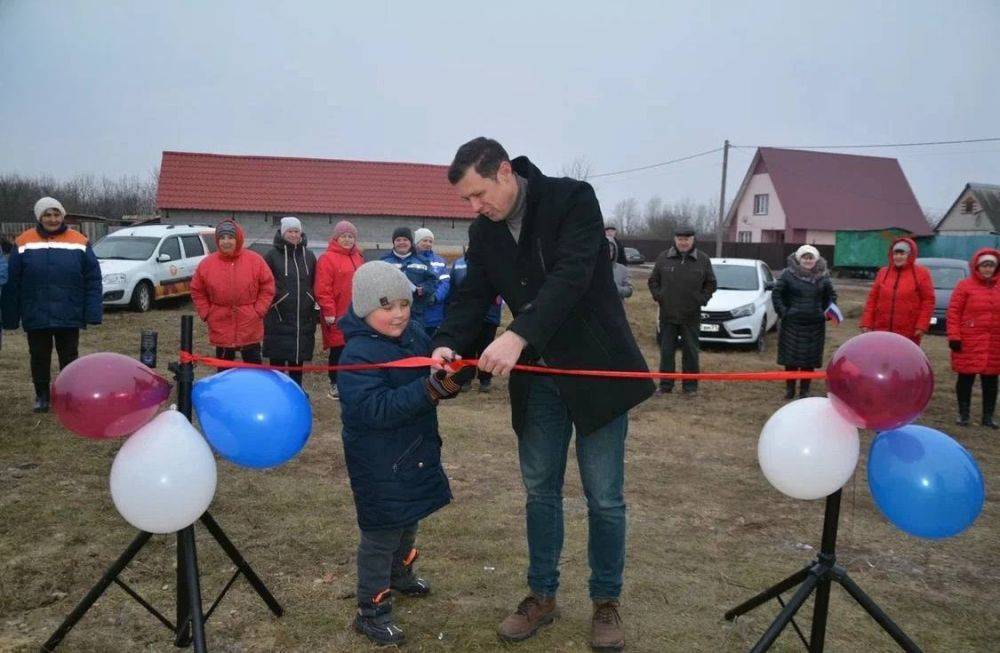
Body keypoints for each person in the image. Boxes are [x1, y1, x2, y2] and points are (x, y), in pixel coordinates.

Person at [432, 137, 653, 651]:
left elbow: (571, 277)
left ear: (505, 171)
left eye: (479, 194)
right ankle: (542, 595)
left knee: (604, 497)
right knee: (539, 492)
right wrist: (446, 344)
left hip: (598, 372)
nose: (475, 207)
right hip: (539, 382)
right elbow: (471, 298)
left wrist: (517, 334)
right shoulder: (484, 232)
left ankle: (606, 601)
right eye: (466, 200)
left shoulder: (573, 199)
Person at [336, 261, 471, 646]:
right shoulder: (358, 355)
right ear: (364, 308)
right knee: (381, 533)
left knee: (408, 516)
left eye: (403, 304)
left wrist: (447, 378)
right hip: (377, 461)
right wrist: (428, 391)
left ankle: (401, 575)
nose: (398, 314)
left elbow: (428, 371)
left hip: (412, 450)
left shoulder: (412, 334)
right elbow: (374, 409)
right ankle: (371, 609)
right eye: (387, 307)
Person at [1, 197, 102, 412]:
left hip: (69, 312)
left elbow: (93, 278)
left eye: (56, 214)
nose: (52, 219)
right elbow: (13, 282)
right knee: (39, 357)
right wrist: (10, 317)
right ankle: (42, 397)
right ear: (40, 217)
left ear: (63, 216)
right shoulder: (23, 241)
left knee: (69, 357)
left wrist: (93, 311)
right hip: (36, 313)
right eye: (47, 214)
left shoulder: (80, 241)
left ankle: (68, 396)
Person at [190, 219, 275, 368]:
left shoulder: (255, 260)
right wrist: (207, 312)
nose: (226, 242)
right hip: (221, 324)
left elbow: (267, 286)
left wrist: (258, 311)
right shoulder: (207, 264)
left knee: (254, 369)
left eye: (230, 237)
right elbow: (197, 290)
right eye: (222, 238)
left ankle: (253, 391)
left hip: (249, 324)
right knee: (224, 369)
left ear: (238, 239)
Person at [647, 226, 716, 395]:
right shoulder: (664, 258)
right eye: (680, 239)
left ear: (693, 240)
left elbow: (711, 283)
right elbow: (653, 281)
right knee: (667, 351)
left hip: (691, 315)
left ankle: (690, 387)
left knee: (691, 352)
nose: (683, 242)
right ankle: (665, 385)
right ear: (675, 240)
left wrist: (702, 299)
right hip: (668, 314)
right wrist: (659, 296)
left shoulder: (702, 259)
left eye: (687, 239)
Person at [773, 245, 837, 400]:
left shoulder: (824, 276)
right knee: (791, 359)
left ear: (816, 259)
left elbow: (831, 297)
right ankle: (790, 390)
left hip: (814, 325)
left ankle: (804, 391)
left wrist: (827, 315)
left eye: (811, 258)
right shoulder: (787, 275)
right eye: (805, 257)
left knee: (809, 360)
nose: (808, 261)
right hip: (792, 323)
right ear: (799, 258)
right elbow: (777, 294)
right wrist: (784, 312)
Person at [946, 248, 1000, 428]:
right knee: (965, 379)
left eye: (991, 265)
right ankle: (964, 414)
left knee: (991, 381)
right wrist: (954, 336)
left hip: (994, 342)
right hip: (968, 340)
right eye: (984, 265)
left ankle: (988, 417)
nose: (987, 269)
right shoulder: (964, 286)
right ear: (977, 266)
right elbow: (954, 312)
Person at [262, 217, 317, 387]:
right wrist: (276, 301)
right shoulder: (271, 256)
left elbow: (315, 282)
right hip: (278, 316)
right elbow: (264, 283)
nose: (293, 235)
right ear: (283, 233)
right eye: (290, 231)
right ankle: (276, 393)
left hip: (302, 318)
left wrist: (312, 301)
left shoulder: (309, 255)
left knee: (297, 360)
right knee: (277, 363)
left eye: (296, 231)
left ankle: (296, 391)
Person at [315, 220, 365, 399]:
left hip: (358, 313)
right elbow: (323, 288)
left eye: (350, 236)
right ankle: (335, 383)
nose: (347, 239)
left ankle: (352, 382)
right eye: (343, 236)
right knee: (338, 349)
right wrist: (329, 311)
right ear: (336, 238)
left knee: (355, 349)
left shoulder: (358, 256)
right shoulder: (327, 258)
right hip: (337, 313)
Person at [859, 237, 935, 344]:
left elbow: (928, 301)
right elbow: (872, 299)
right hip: (881, 330)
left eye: (902, 254)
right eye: (895, 254)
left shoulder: (921, 274)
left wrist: (921, 326)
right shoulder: (883, 272)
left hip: (908, 333)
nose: (898, 257)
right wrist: (866, 322)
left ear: (909, 255)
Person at [448, 248, 503, 392]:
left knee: (486, 347)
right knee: (468, 347)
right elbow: (453, 289)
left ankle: (485, 379)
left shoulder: (496, 263)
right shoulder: (459, 264)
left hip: (490, 315)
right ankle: (466, 379)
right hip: (468, 316)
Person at [381, 227, 438, 327]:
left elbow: (432, 281)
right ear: (393, 243)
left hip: (415, 313)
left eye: (405, 240)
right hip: (390, 312)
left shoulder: (422, 261)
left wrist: (423, 289)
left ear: (411, 242)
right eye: (398, 240)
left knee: (416, 340)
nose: (402, 242)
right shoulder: (384, 261)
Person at [413, 227, 451, 337]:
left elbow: (446, 283)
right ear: (416, 242)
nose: (428, 244)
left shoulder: (439, 261)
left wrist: (435, 297)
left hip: (435, 313)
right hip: (416, 313)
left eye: (430, 241)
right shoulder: (411, 260)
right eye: (424, 240)